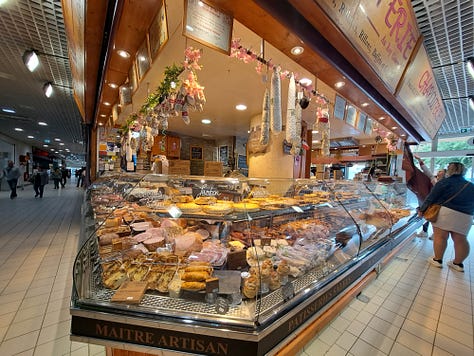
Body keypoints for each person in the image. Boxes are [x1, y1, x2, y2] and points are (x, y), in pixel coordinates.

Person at [419, 162, 474, 272]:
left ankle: (438, 260)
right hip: (466, 215)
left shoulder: (444, 182)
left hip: (447, 213)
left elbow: (431, 197)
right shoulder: (470, 185)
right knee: (461, 240)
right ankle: (458, 264)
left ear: (450, 170)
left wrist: (422, 209)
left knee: (440, 237)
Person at [414, 156, 446, 238]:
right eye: (439, 172)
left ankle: (436, 234)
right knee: (428, 217)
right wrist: (420, 160)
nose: (438, 173)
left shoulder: (446, 184)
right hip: (430, 203)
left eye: (441, 172)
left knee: (436, 219)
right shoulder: (434, 180)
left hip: (439, 205)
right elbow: (427, 171)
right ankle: (425, 231)